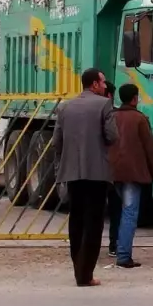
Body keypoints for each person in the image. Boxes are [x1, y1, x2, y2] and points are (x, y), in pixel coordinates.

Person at [53, 68, 118, 286]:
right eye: (103, 81)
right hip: (97, 172)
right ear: (94, 84)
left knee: (76, 219)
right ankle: (86, 274)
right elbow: (112, 136)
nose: (105, 85)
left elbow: (57, 142)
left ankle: (77, 269)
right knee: (94, 222)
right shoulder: (104, 104)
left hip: (72, 171)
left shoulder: (65, 107)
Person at [109, 84, 153, 269]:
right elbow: (150, 149)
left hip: (113, 172)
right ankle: (124, 256)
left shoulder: (112, 116)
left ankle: (116, 247)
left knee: (120, 210)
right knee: (130, 213)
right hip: (133, 173)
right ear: (134, 98)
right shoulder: (140, 119)